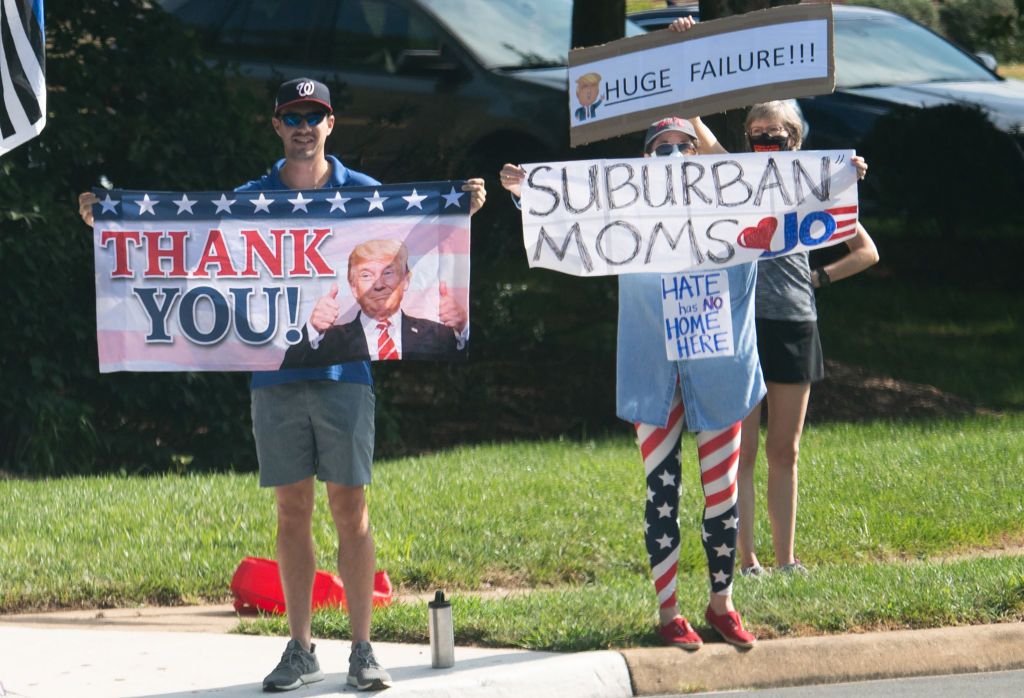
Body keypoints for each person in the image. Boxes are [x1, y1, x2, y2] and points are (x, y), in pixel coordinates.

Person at [79, 77, 486, 692]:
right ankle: (299, 649)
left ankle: (362, 649)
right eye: (291, 116)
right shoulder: (249, 200)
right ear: (275, 125)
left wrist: (460, 207)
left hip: (346, 376)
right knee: (291, 510)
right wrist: (110, 222)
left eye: (313, 115)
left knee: (351, 510)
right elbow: (181, 250)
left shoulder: (367, 197)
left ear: (331, 124)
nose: (303, 126)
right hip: (272, 379)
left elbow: (421, 238)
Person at [499, 114, 763, 650]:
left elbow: (776, 196)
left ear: (699, 151)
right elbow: (571, 222)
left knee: (723, 494)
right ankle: (669, 613)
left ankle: (722, 603)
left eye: (683, 146)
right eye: (661, 147)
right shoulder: (625, 212)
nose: (672, 155)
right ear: (644, 160)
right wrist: (531, 192)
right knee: (660, 488)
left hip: (717, 365)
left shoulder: (733, 202)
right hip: (653, 366)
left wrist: (833, 184)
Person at [281, 239, 467, 368]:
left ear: (406, 280)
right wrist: (312, 328)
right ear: (353, 287)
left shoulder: (438, 334)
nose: (378, 285)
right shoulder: (328, 340)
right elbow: (288, 365)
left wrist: (462, 327)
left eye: (388, 273)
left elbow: (463, 361)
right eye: (366, 275)